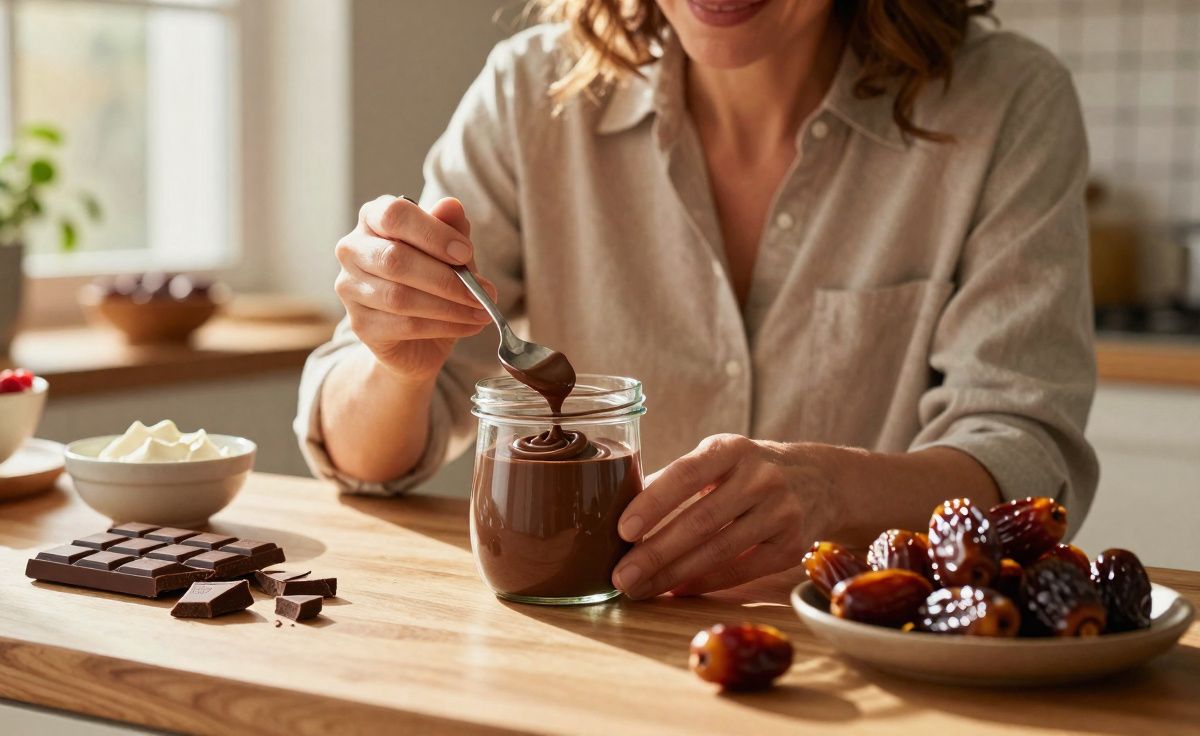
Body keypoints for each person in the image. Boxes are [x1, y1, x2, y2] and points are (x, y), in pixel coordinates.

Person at [295, 0, 1098, 601]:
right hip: (597, 653)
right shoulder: (526, 93)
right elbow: (366, 457)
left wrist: (831, 489)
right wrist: (395, 364)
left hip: (870, 661)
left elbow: (1024, 452)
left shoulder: (1007, 102)